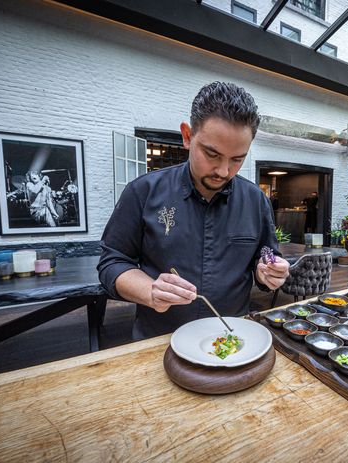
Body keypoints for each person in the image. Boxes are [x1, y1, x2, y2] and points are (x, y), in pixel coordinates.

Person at [97, 82, 290, 340]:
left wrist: (268, 273)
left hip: (233, 340)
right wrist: (150, 290)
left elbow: (265, 258)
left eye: (237, 159)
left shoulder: (256, 200)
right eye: (212, 154)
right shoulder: (143, 192)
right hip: (159, 339)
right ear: (187, 136)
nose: (224, 171)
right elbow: (113, 262)